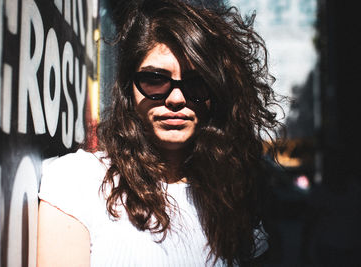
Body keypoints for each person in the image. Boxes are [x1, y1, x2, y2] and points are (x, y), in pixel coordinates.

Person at [37, 0, 283, 266]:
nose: (176, 98)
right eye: (155, 79)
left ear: (216, 93)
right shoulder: (78, 182)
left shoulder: (231, 197)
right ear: (128, 89)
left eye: (196, 83)